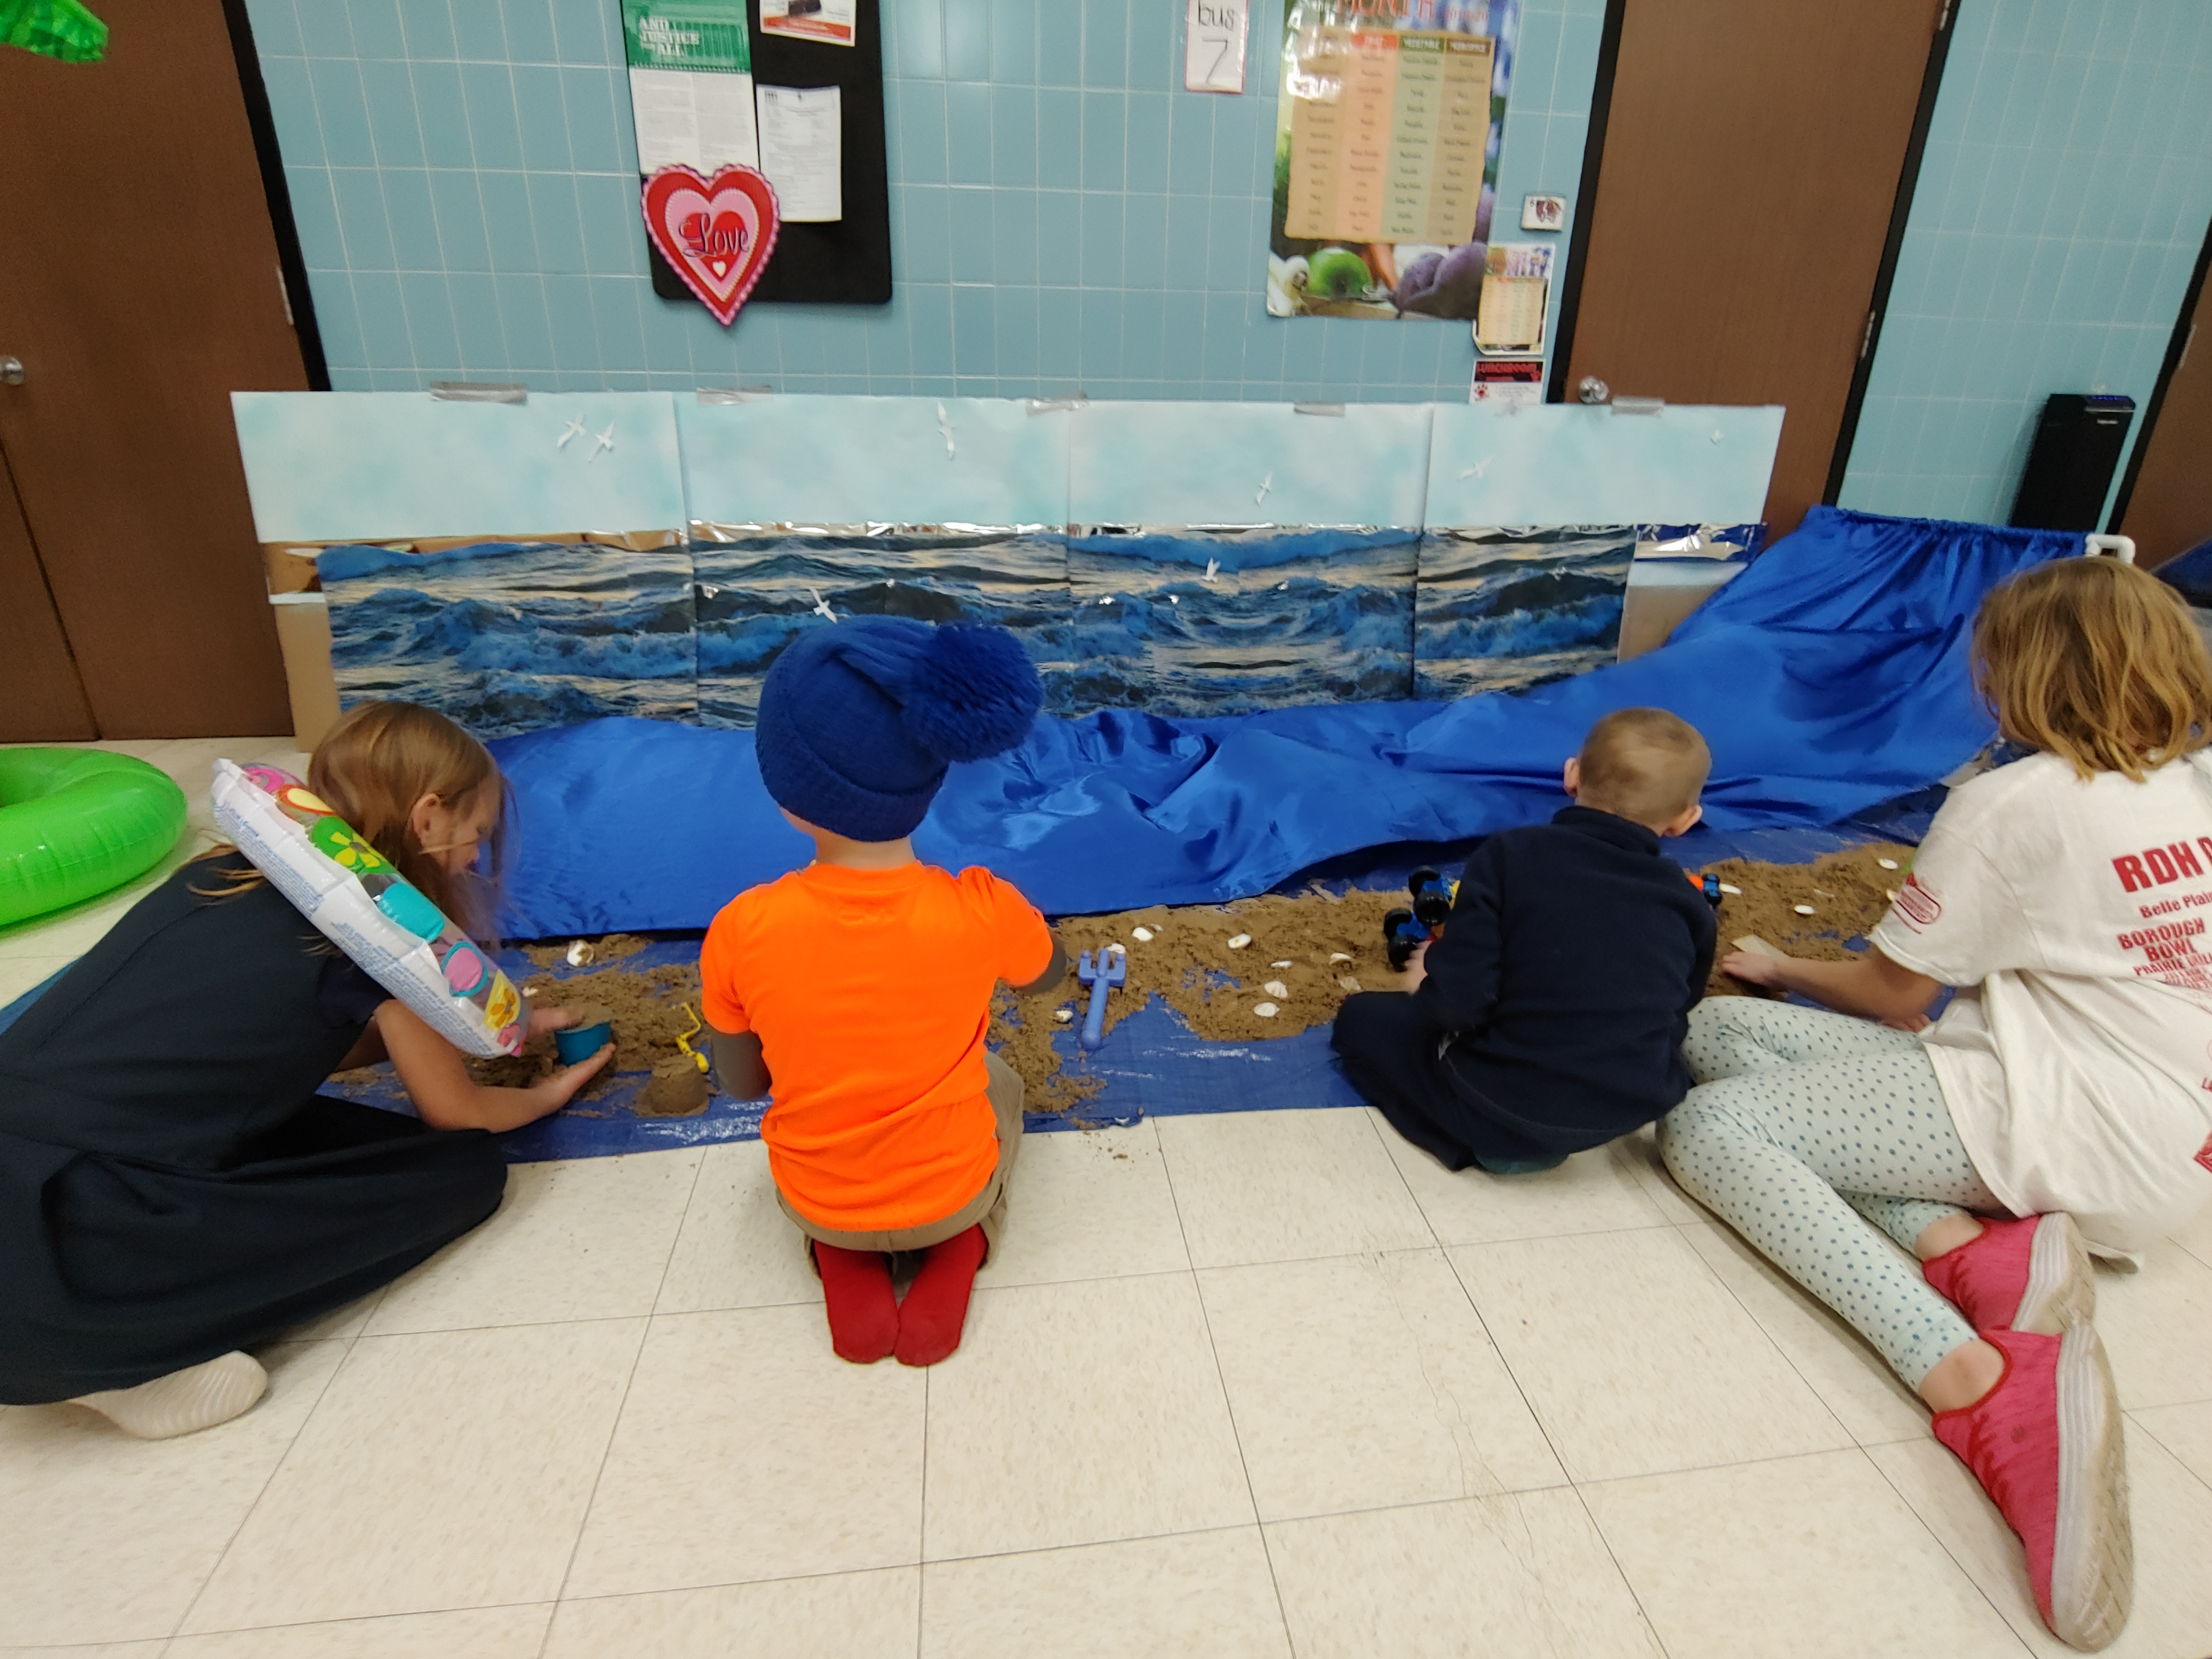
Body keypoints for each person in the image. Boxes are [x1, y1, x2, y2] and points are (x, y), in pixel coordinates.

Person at [1660, 556, 2212, 1652]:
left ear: (2028, 673)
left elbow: (1896, 995)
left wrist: (1787, 962)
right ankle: (1975, 1249)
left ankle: (1974, 1377)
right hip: (2166, 1127)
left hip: (2069, 1119)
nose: (1983, 679)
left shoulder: (2010, 803)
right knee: (1720, 1033)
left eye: (1993, 661)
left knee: (1712, 1126)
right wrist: (1773, 978)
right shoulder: (2185, 785)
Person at [0, 702, 610, 1439]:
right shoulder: (368, 944)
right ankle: (127, 1359)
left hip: (39, 1130)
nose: (473, 860)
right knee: (463, 1172)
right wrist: (550, 1094)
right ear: (427, 818)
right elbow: (462, 1114)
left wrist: (506, 1028)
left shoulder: (223, 871)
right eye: (474, 836)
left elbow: (289, 1036)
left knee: (298, 1120)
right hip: (64, 1243)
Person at [701, 617, 1066, 1368]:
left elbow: (743, 1084)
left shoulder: (740, 928)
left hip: (822, 1201)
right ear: (930, 778)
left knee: (825, 1122)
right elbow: (1049, 976)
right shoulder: (982, 906)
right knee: (1000, 1081)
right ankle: (959, 1249)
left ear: (787, 792)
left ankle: (843, 1262)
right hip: (948, 1193)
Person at [1333, 706, 1717, 1173]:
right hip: (1629, 1108)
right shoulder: (1688, 902)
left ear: (1572, 775)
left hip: (1501, 1103)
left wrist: (1426, 980)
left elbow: (1457, 1006)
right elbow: (1681, 1004)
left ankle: (1467, 1143)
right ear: (1685, 819)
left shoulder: (1509, 856)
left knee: (1361, 1019)